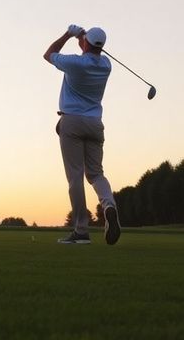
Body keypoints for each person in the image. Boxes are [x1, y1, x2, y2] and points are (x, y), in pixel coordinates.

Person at [43, 24, 121, 245]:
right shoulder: (106, 64)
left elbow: (48, 54)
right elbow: (90, 52)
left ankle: (81, 230)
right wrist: (83, 39)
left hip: (72, 123)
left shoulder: (75, 64)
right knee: (96, 174)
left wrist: (69, 34)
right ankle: (109, 206)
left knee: (75, 176)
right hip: (95, 124)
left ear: (86, 43)